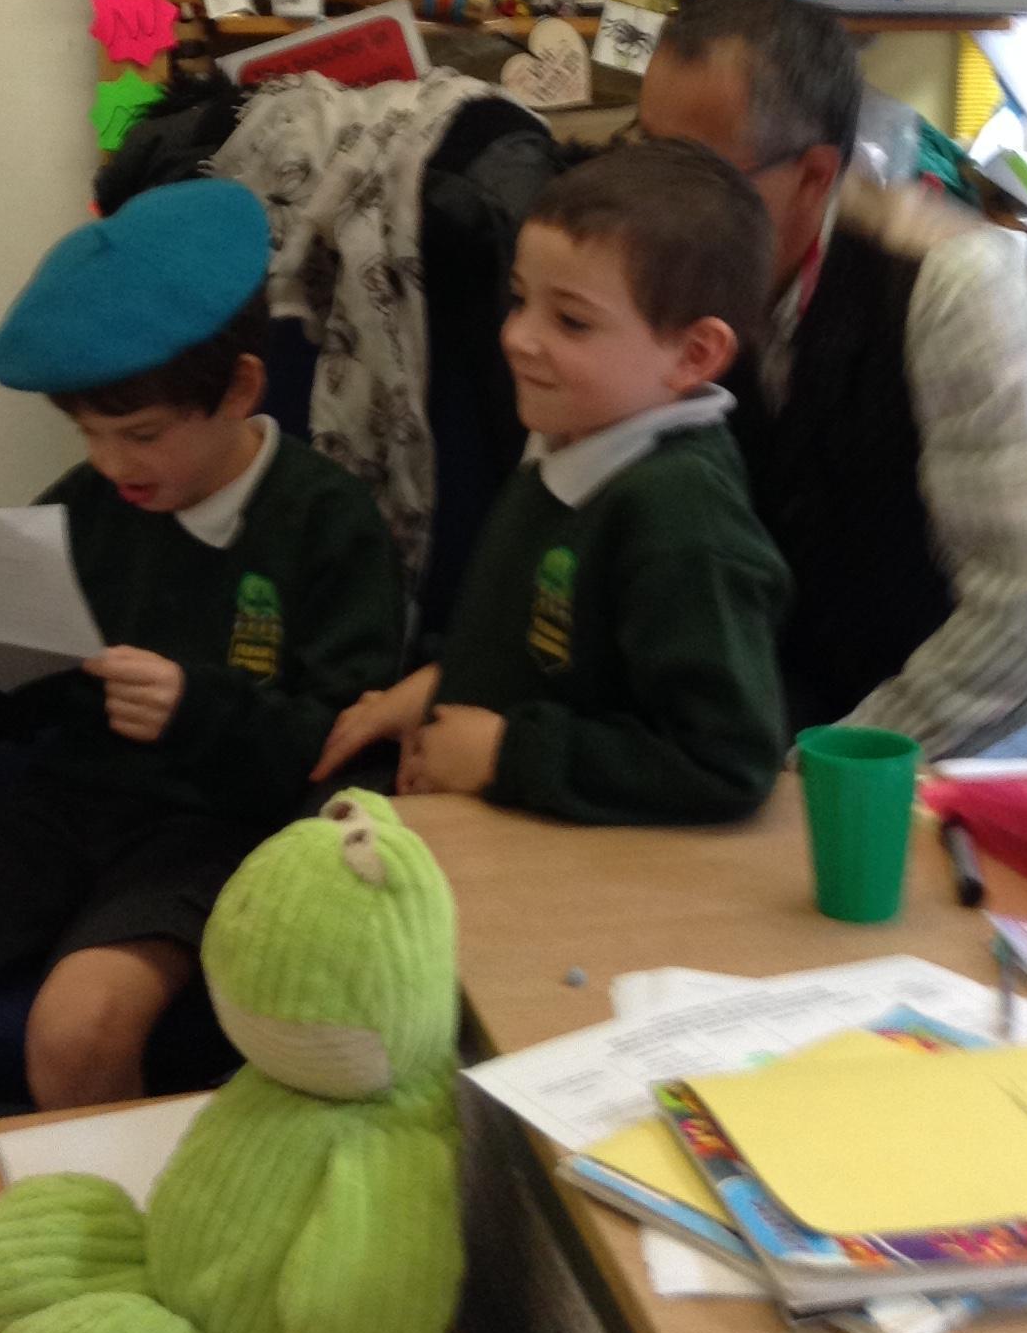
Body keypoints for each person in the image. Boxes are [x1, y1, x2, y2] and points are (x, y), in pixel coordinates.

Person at [0, 182, 405, 1143]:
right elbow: (23, 703)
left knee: (76, 1032)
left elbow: (342, 748)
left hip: (219, 829)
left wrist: (196, 707)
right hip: (66, 808)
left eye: (142, 435)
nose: (114, 464)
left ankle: (116, 1235)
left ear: (240, 391)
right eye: (89, 434)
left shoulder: (327, 524)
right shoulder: (90, 503)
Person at [636, 0, 1027, 761]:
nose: (650, 203)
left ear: (815, 177)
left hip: (1014, 680)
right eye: (644, 152)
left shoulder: (949, 287)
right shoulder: (674, 265)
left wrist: (818, 771)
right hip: (839, 663)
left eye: (694, 174)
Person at [315, 141, 790, 824]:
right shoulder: (570, 437)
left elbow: (726, 760)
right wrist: (439, 685)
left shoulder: (684, 519)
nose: (517, 337)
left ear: (694, 354)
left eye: (571, 320)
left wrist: (506, 754)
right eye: (519, 300)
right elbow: (553, 649)